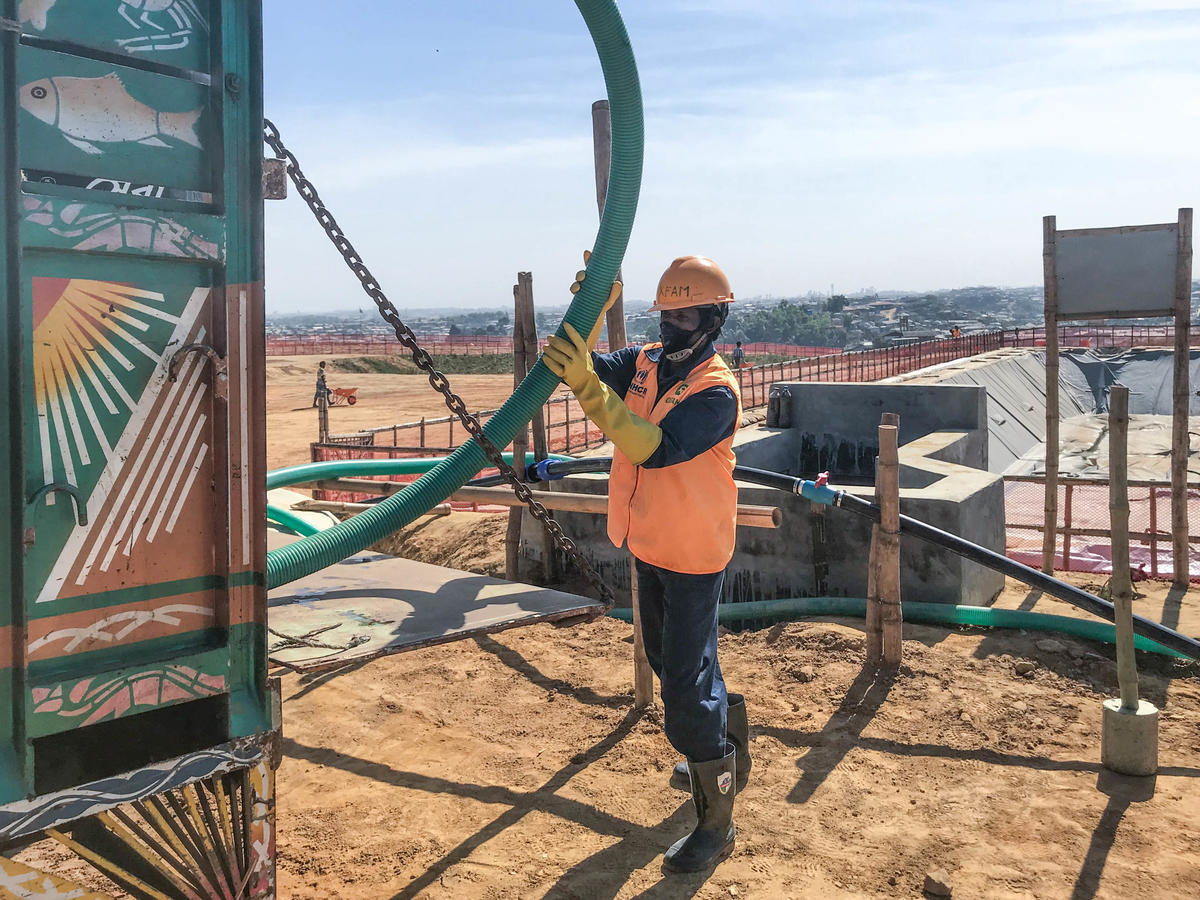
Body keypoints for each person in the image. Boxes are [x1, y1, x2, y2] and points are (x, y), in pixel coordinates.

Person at [542, 254, 749, 874]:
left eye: (686, 311)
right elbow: (577, 362)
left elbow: (652, 448)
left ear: (714, 316)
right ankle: (725, 736)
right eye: (667, 311)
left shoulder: (716, 391)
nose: (675, 321)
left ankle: (717, 824)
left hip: (692, 550)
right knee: (670, 663)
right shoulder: (649, 362)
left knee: (683, 686)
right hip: (650, 542)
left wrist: (586, 387)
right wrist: (591, 313)